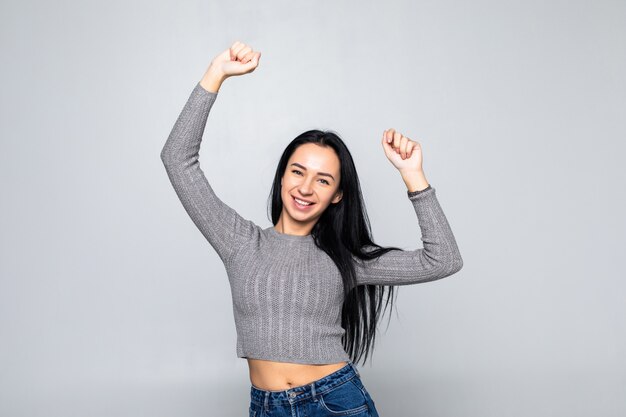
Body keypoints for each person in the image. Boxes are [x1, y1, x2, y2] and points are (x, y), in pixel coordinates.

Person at [160, 41, 463, 417]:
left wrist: (413, 175)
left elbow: (444, 260)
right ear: (283, 175)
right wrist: (216, 74)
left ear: (337, 194)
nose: (305, 188)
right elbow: (177, 159)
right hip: (266, 406)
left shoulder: (346, 259)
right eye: (298, 172)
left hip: (335, 403)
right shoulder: (239, 241)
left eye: (323, 181)